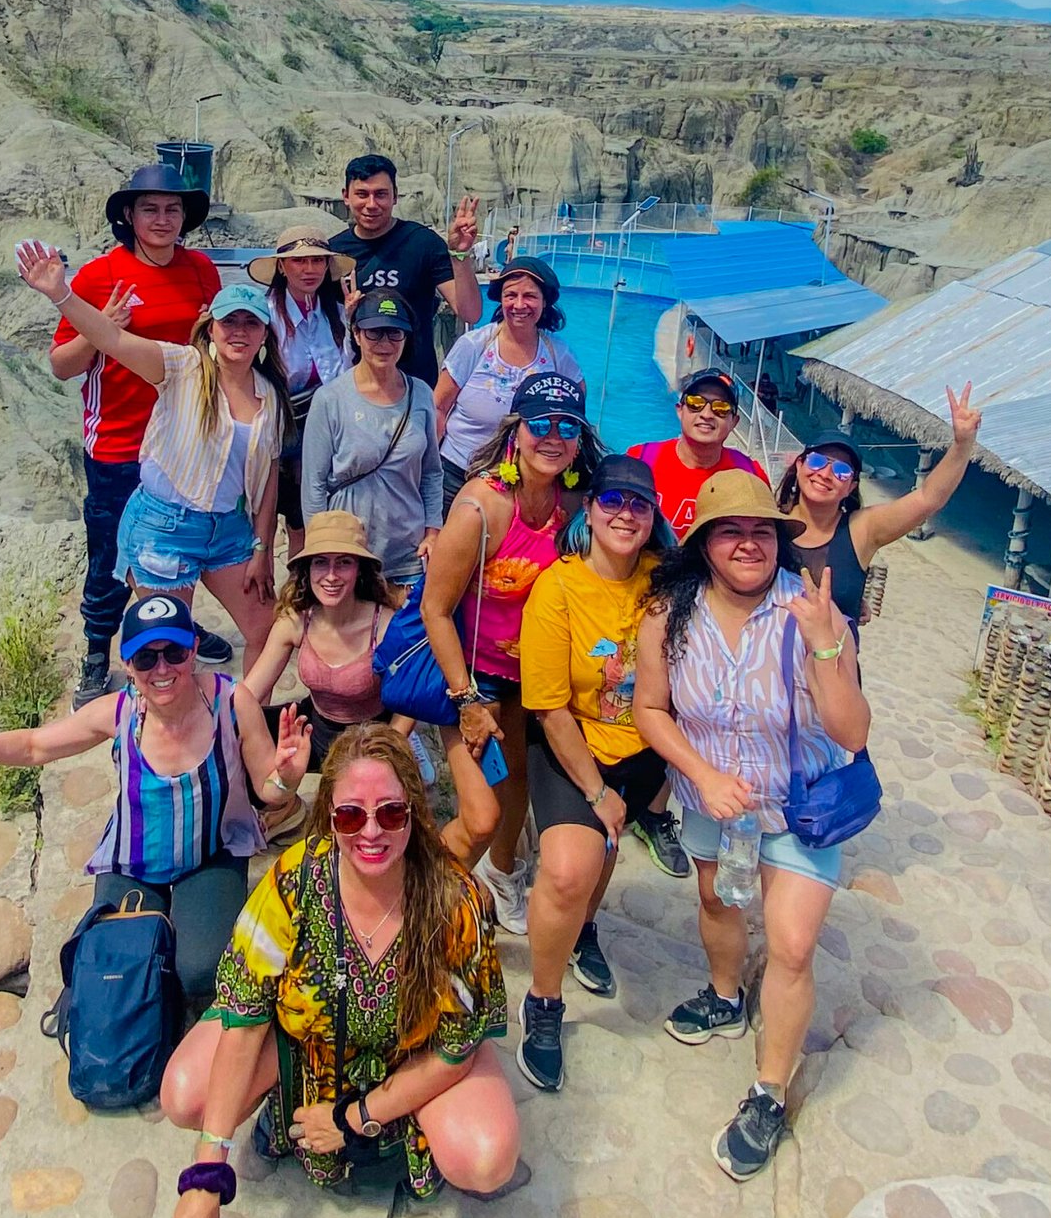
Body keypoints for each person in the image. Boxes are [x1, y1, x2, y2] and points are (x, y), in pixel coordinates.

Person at [162, 723, 519, 1218]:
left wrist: (354, 1118)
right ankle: (282, 1094)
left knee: (486, 1157)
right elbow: (247, 1014)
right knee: (185, 1096)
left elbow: (454, 1050)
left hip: (414, 1053)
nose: (371, 833)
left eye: (391, 814)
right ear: (329, 816)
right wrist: (208, 1171)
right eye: (351, 815)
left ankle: (396, 1118)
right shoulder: (292, 884)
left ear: (413, 810)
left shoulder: (456, 899)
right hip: (307, 1044)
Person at [633, 470, 870, 1182]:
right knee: (717, 902)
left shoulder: (813, 613)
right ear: (704, 544)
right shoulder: (666, 616)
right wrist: (701, 776)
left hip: (797, 806)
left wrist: (827, 649)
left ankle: (768, 1090)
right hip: (717, 803)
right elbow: (650, 709)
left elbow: (852, 731)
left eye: (761, 530)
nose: (747, 543)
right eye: (730, 530)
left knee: (793, 945)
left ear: (779, 540)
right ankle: (727, 995)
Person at [0, 594, 312, 1012]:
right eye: (146, 658)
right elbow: (36, 746)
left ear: (194, 650)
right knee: (120, 963)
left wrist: (287, 779)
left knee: (200, 970)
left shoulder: (233, 703)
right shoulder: (120, 713)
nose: (162, 669)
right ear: (128, 665)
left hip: (211, 854)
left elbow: (269, 790)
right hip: (135, 861)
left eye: (174, 652)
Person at [18, 243, 291, 669]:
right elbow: (112, 338)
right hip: (165, 527)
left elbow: (268, 473)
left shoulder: (269, 395)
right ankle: (159, 726)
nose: (239, 331)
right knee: (168, 646)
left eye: (250, 323)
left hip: (228, 530)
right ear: (211, 329)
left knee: (266, 630)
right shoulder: (182, 367)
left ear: (263, 335)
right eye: (229, 322)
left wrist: (262, 547)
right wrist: (60, 293)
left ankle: (244, 719)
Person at [513, 455, 677, 1092]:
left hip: (644, 747)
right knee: (566, 870)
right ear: (589, 508)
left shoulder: (667, 580)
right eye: (613, 501)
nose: (625, 514)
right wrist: (597, 789)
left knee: (602, 856)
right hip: (573, 744)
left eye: (639, 504)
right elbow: (550, 708)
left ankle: (584, 931)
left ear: (654, 515)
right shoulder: (557, 589)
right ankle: (545, 1003)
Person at [419, 373, 599, 928]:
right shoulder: (482, 507)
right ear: (514, 433)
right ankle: (424, 903)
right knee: (480, 811)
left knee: (516, 778)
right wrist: (468, 699)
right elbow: (434, 609)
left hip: (537, 677)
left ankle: (501, 876)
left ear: (579, 438)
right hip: (473, 673)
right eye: (539, 423)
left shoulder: (576, 505)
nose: (552, 435)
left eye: (566, 426)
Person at [49, 162, 222, 703]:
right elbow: (61, 363)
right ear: (129, 214)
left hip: (182, 444)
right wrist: (105, 331)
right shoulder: (101, 275)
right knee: (110, 554)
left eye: (173, 209)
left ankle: (176, 630)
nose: (163, 219)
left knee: (177, 548)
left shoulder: (201, 271)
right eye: (150, 208)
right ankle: (97, 651)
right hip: (119, 443)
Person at [775, 382, 982, 629]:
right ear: (799, 465)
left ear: (851, 486)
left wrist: (962, 444)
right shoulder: (767, 520)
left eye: (842, 470)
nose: (826, 473)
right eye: (818, 460)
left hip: (835, 664)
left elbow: (927, 498)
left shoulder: (862, 529)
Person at [300, 293, 444, 589]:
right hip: (347, 552)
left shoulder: (421, 394)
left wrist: (433, 532)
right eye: (374, 332)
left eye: (395, 333)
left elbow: (431, 472)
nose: (385, 343)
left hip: (408, 551)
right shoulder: (330, 398)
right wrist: (321, 548)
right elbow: (313, 483)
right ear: (356, 333)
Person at [244, 511, 406, 769]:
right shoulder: (295, 622)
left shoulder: (386, 626)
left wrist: (394, 746)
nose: (331, 576)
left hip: (373, 736)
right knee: (237, 734)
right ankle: (285, 807)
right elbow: (247, 695)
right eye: (320, 562)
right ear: (307, 570)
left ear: (359, 570)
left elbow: (410, 704)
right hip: (315, 729)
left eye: (343, 563)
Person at [435, 256, 584, 512]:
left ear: (545, 301)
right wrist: (427, 469)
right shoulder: (474, 345)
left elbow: (576, 416)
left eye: (530, 296)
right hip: (456, 475)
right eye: (510, 295)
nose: (519, 305)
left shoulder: (559, 356)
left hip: (522, 482)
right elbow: (438, 408)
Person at [328, 154, 482, 387]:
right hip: (353, 389)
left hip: (414, 388)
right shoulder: (333, 253)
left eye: (380, 194)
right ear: (346, 197)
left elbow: (470, 313)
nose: (371, 204)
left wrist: (460, 255)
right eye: (362, 194)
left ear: (395, 197)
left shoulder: (422, 243)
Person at [247, 225, 354, 558]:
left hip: (322, 428)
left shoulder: (336, 315)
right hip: (275, 427)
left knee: (308, 520)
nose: (309, 270)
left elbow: (343, 374)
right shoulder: (264, 316)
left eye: (317, 261)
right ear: (282, 267)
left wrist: (355, 323)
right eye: (299, 261)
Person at [628, 368, 767, 541]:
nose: (707, 414)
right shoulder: (640, 460)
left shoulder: (750, 475)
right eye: (695, 403)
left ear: (734, 422)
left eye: (721, 407)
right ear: (680, 410)